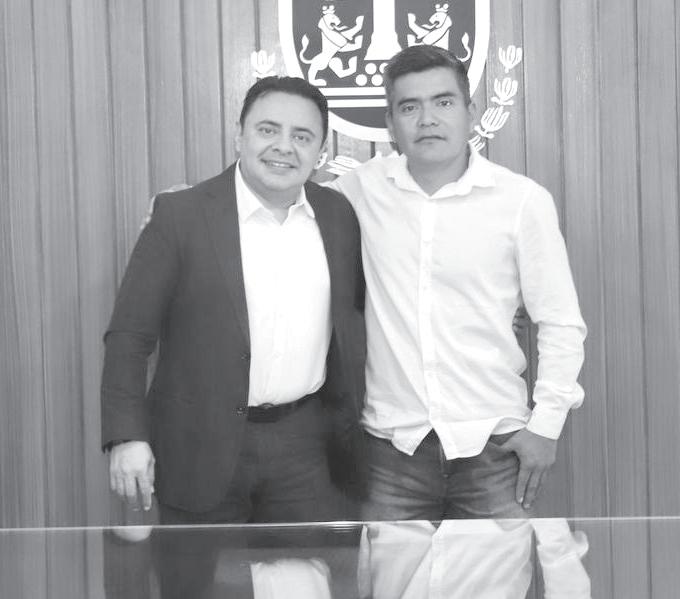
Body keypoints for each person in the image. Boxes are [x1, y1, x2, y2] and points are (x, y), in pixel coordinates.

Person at [100, 76, 365, 597]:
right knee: (194, 587)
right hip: (198, 444)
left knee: (305, 585)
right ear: (239, 135)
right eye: (268, 129)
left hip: (306, 449)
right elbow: (130, 335)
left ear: (320, 151)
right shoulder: (181, 215)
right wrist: (127, 436)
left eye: (302, 136)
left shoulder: (337, 216)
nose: (284, 146)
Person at [328, 45, 587, 520]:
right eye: (410, 106)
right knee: (390, 571)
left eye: (443, 102)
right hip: (390, 452)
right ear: (391, 124)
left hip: (495, 450)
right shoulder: (358, 190)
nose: (427, 119)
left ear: (470, 112)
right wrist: (190, 202)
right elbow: (282, 207)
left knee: (498, 571)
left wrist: (546, 427)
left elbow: (560, 323)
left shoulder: (520, 201)